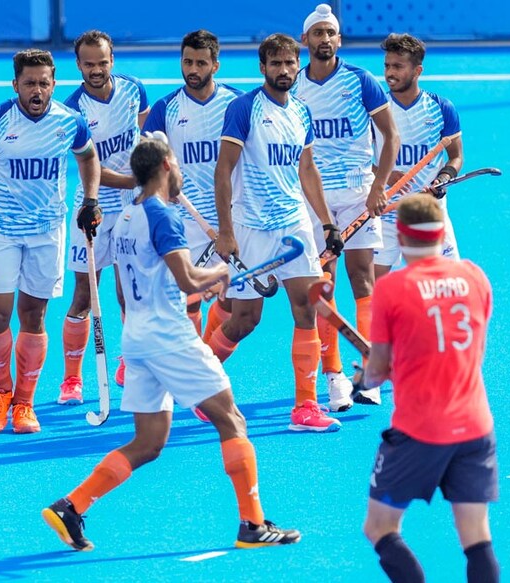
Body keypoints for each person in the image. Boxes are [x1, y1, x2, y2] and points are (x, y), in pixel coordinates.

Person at [42, 136, 301, 551]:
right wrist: (216, 275)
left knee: (149, 443)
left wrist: (203, 282)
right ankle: (252, 525)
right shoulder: (164, 215)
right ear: (165, 165)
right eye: (177, 164)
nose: (180, 171)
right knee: (232, 419)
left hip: (139, 338)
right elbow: (185, 278)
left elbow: (141, 284)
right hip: (170, 337)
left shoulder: (127, 215)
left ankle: (71, 506)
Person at [0, 49, 100, 434]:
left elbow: (88, 158)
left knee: (33, 318)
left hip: (47, 233)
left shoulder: (70, 122)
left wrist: (90, 199)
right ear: (15, 84)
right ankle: (0, 393)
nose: (37, 90)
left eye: (44, 83)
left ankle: (25, 402)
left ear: (54, 84)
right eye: (30, 83)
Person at [207, 33, 344, 432]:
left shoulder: (301, 111)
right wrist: (227, 232)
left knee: (307, 307)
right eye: (276, 64)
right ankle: (200, 381)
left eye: (289, 64)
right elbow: (223, 172)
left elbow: (307, 171)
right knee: (245, 319)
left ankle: (305, 407)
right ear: (262, 67)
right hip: (251, 229)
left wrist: (326, 223)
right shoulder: (243, 108)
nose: (284, 70)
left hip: (294, 227)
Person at [360, 193, 499, 583]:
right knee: (476, 537)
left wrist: (366, 377)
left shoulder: (392, 289)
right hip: (475, 426)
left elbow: (377, 371)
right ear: (441, 235)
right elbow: (475, 351)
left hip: (419, 430)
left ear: (400, 237)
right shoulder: (474, 276)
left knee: (380, 528)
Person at [291, 3, 401, 410]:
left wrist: (378, 186)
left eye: (330, 33)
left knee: (363, 280)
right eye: (317, 33)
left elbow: (390, 137)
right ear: (306, 41)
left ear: (339, 39)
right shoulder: (293, 87)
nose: (324, 40)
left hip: (357, 196)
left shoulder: (362, 81)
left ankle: (369, 375)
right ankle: (335, 377)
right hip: (312, 200)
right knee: (322, 286)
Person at [59, 29, 152, 406]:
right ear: (78, 64)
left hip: (133, 208)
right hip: (93, 209)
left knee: (130, 291)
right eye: (88, 64)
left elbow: (146, 134)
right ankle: (72, 379)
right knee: (84, 295)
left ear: (112, 60)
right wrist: (134, 178)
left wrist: (151, 173)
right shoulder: (71, 110)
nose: (96, 70)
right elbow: (90, 167)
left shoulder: (134, 90)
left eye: (102, 62)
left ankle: (129, 363)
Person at [142, 29, 243, 340]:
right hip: (186, 220)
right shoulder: (165, 108)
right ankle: (194, 370)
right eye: (187, 62)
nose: (193, 70)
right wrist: (163, 181)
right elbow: (145, 160)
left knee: (233, 304)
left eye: (201, 63)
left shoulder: (237, 104)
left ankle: (207, 357)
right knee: (189, 302)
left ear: (215, 65)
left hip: (232, 218)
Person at [374, 32, 464, 279]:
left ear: (417, 71)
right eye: (387, 66)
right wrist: (386, 175)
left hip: (429, 209)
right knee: (374, 286)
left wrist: (442, 180)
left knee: (446, 281)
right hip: (388, 212)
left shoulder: (441, 108)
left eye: (398, 67)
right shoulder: (376, 109)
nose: (390, 73)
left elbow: (456, 156)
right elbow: (359, 159)